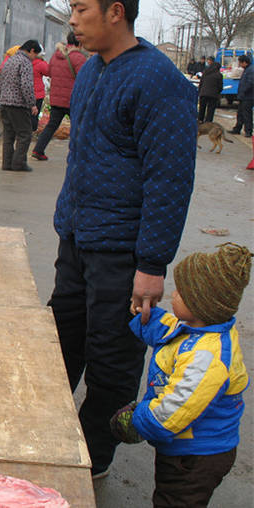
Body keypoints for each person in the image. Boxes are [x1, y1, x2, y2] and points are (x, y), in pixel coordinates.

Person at [48, 0, 197, 479]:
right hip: (76, 239)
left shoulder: (159, 81)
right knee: (59, 342)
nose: (72, 18)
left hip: (122, 252)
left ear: (116, 11)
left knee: (111, 361)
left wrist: (152, 265)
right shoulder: (91, 71)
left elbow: (169, 181)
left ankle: (94, 457)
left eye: (80, 7)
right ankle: (48, 428)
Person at [110, 243, 251, 507]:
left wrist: (139, 420)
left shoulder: (208, 358)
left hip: (197, 456)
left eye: (181, 294)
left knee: (176, 500)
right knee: (167, 491)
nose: (173, 295)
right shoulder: (196, 327)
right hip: (182, 447)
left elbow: (175, 410)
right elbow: (169, 330)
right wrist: (145, 317)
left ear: (201, 305)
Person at [31, 32, 86, 161]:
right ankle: (78, 154)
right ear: (80, 43)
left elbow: (49, 72)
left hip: (56, 99)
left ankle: (38, 150)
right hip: (73, 100)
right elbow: (84, 78)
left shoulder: (56, 56)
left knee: (51, 126)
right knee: (79, 127)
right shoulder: (78, 58)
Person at [0, 39, 42, 172]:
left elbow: (2, 81)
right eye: (36, 55)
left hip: (5, 102)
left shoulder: (10, 60)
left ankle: (7, 163)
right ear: (32, 50)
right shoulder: (25, 62)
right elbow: (26, 85)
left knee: (8, 135)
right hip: (18, 104)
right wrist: (32, 104)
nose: (34, 59)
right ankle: (19, 163)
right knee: (25, 134)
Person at [229, 55, 253, 137]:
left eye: (240, 62)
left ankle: (248, 131)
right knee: (240, 113)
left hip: (248, 97)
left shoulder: (251, 70)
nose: (239, 64)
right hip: (243, 96)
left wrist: (243, 91)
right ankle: (237, 129)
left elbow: (250, 83)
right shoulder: (246, 70)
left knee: (247, 114)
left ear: (245, 62)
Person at [197, 56, 223, 123]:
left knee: (202, 108)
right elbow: (220, 86)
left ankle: (200, 121)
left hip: (203, 93)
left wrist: (200, 92)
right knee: (210, 110)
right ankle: (208, 123)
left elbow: (201, 83)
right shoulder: (219, 75)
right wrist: (218, 92)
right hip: (213, 95)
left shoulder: (205, 72)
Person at [31, 53, 50, 132]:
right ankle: (33, 131)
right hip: (37, 93)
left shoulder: (27, 62)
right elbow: (48, 72)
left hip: (27, 92)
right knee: (35, 114)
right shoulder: (40, 64)